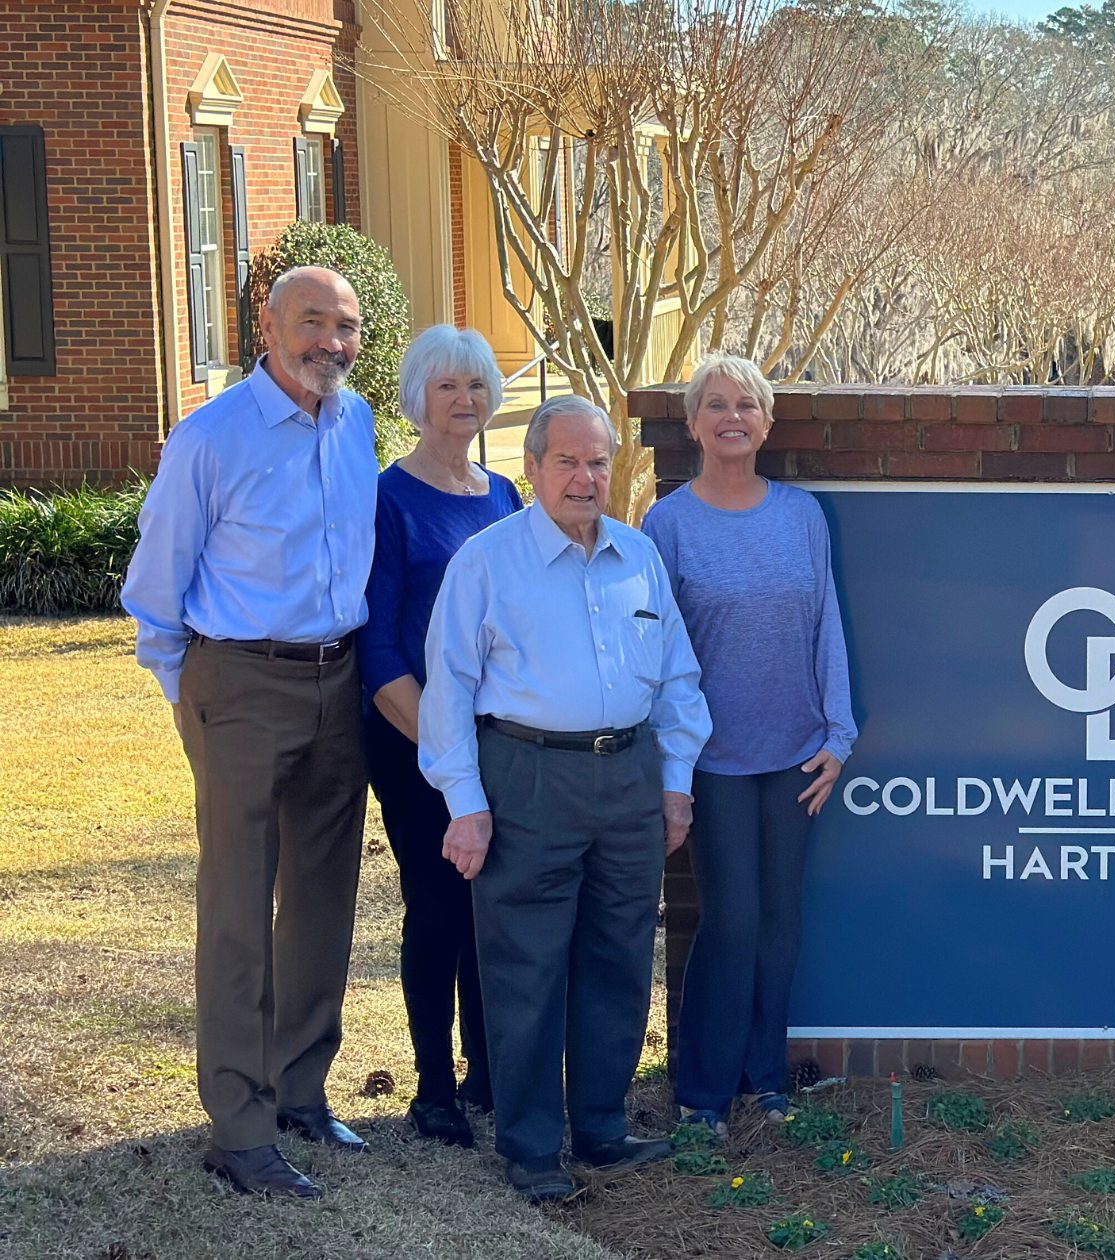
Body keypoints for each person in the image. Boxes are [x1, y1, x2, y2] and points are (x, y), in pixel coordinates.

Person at [120, 266, 378, 1197]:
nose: (331, 343)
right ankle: (237, 1123)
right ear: (266, 326)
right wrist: (189, 693)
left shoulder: (357, 424)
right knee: (237, 906)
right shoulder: (211, 439)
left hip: (337, 678)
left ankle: (299, 1089)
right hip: (237, 681)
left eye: (346, 327)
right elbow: (156, 586)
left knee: (322, 892)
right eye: (313, 322)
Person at [418, 396, 712, 1201]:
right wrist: (465, 804)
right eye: (567, 462)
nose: (585, 478)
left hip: (628, 778)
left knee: (618, 958)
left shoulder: (639, 557)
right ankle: (532, 1145)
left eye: (598, 462)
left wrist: (675, 788)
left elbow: (678, 679)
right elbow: (449, 691)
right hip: (527, 778)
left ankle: (602, 1127)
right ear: (533, 470)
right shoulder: (486, 561)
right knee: (525, 966)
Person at [643, 355, 856, 1134]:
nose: (732, 417)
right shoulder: (666, 525)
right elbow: (659, 654)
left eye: (748, 406)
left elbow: (827, 623)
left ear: (766, 424)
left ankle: (766, 1080)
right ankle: (702, 1093)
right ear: (694, 423)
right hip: (715, 760)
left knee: (780, 924)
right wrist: (670, 764)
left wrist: (840, 733)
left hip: (797, 754)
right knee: (729, 922)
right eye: (716, 405)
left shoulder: (800, 515)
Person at [358, 326, 522, 1148]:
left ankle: (488, 1073)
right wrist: (441, 747)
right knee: (437, 905)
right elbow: (378, 640)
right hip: (412, 735)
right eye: (446, 385)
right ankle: (433, 1093)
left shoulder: (504, 497)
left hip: (500, 743)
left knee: (489, 905)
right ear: (417, 395)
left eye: (477, 385)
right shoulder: (388, 497)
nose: (464, 399)